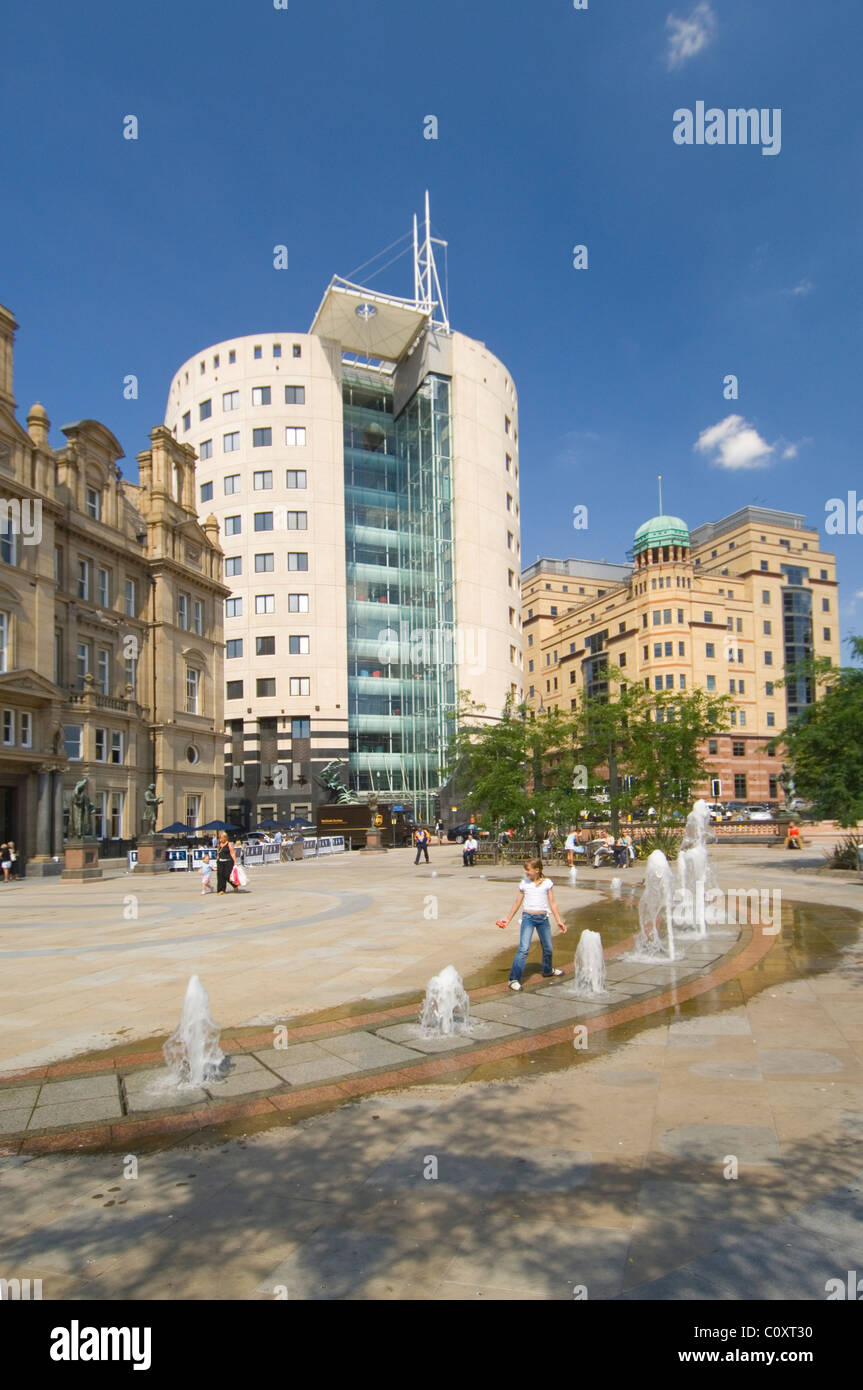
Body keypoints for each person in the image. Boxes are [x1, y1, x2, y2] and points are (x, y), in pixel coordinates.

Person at [499, 858, 567, 991]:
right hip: (528, 918)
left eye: (528, 870)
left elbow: (552, 903)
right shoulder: (524, 883)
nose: (526, 872)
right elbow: (517, 902)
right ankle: (513, 979)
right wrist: (508, 919)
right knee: (524, 949)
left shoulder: (547, 883)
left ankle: (547, 970)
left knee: (548, 947)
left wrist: (559, 920)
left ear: (537, 870)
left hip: (543, 919)